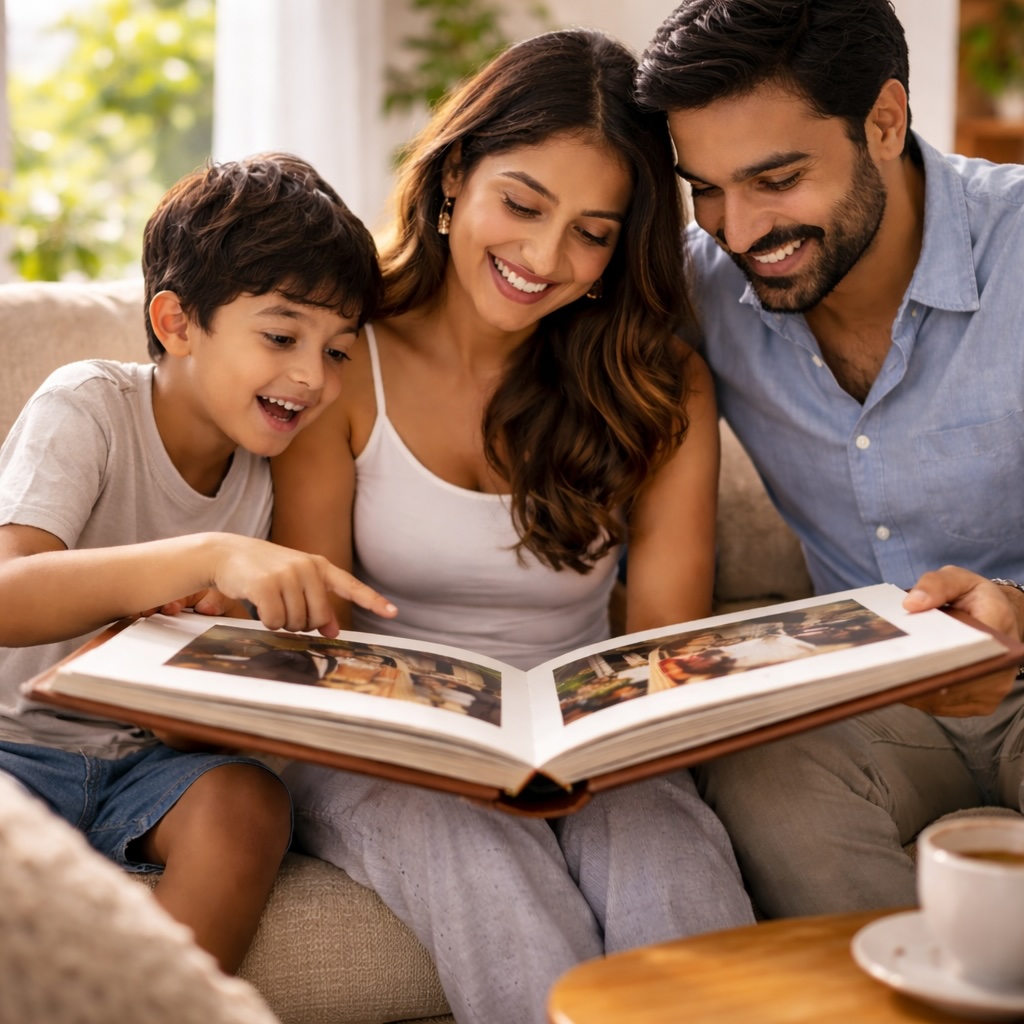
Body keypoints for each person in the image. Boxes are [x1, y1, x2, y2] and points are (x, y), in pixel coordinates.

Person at [271, 28, 754, 1024]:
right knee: (480, 861)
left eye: (592, 231)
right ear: (454, 178)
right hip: (380, 750)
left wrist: (599, 756)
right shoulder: (343, 358)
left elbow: (664, 645)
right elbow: (315, 637)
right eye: (522, 205)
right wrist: (451, 755)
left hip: (593, 741)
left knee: (667, 856)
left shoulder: (656, 385)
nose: (545, 258)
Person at [635, 0, 1024, 919]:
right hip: (864, 702)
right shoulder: (706, 284)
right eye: (708, 190)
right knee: (761, 770)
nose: (737, 231)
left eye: (776, 179)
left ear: (885, 121)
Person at [0, 152, 395, 973]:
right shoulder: (89, 408)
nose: (310, 377)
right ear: (177, 323)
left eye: (337, 352)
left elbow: (281, 670)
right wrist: (209, 556)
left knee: (248, 802)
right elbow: (8, 592)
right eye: (283, 336)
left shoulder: (282, 458)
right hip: (14, 746)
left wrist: (221, 647)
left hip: (156, 762)